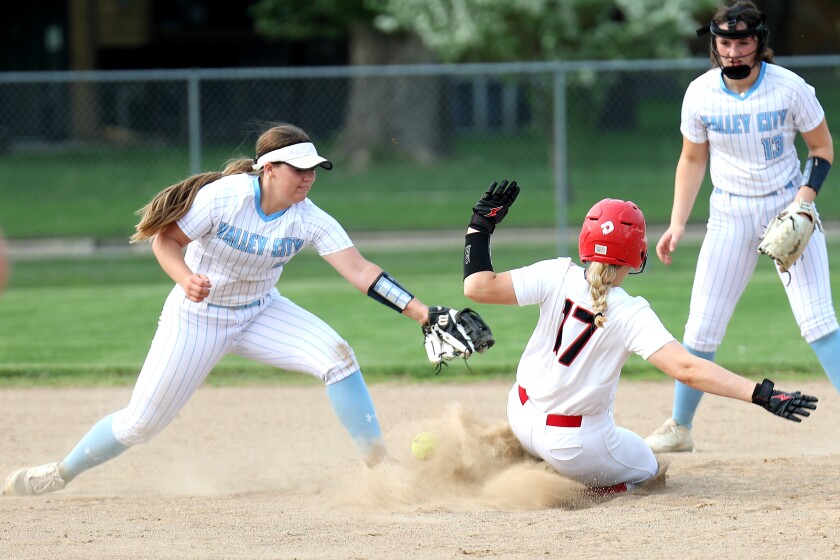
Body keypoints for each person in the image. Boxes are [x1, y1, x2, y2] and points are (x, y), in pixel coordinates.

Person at [4, 122, 444, 496]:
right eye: (299, 169)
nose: (308, 178)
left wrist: (424, 313)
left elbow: (360, 270)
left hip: (261, 312)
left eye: (314, 170)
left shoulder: (309, 218)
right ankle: (60, 474)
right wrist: (184, 278)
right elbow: (166, 240)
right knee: (140, 424)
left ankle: (380, 466)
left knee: (338, 357)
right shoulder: (224, 198)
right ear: (268, 169)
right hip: (197, 318)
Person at [461, 180, 817, 492]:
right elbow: (687, 369)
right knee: (647, 467)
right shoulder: (630, 311)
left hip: (519, 413)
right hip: (573, 446)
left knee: (575, 440)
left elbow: (477, 286)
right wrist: (762, 394)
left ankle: (532, 456)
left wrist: (481, 225)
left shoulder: (555, 273)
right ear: (637, 254)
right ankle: (579, 487)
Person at [645, 0, 838, 453]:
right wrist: (677, 223)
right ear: (714, 45)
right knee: (701, 330)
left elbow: (822, 148)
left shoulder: (790, 88)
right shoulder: (700, 93)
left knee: (819, 322)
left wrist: (805, 203)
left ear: (759, 43)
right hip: (729, 212)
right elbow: (693, 158)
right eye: (725, 41)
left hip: (787, 209)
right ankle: (680, 428)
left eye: (742, 41)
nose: (733, 51)